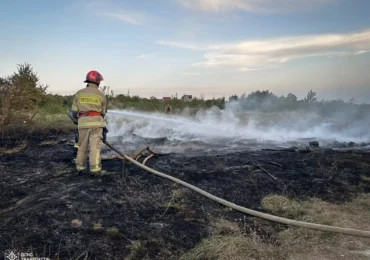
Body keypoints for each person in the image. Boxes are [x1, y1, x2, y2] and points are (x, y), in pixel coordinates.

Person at [68, 70, 108, 177]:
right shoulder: (101, 95)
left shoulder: (79, 93)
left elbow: (74, 111)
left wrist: (78, 120)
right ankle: (95, 170)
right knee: (95, 147)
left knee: (82, 146)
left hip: (82, 124)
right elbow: (103, 113)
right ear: (98, 82)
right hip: (97, 124)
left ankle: (80, 168)